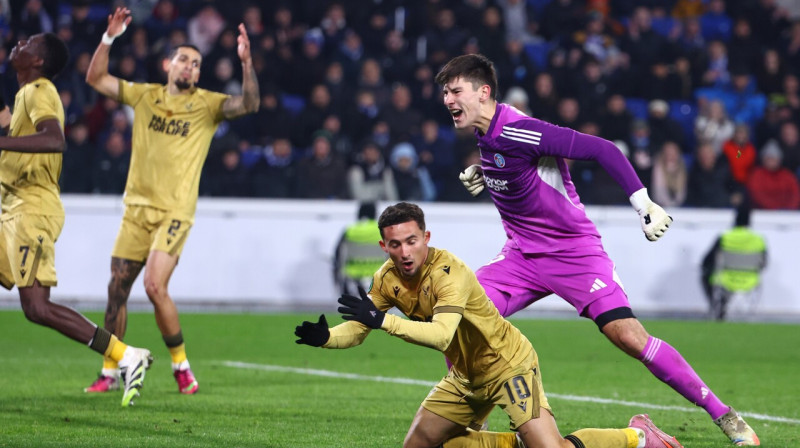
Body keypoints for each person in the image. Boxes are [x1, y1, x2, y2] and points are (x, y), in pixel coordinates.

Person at [436, 54, 759, 446]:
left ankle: (725, 416)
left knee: (627, 336)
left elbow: (603, 149)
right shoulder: (485, 133)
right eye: (444, 92)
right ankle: (476, 421)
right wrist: (488, 174)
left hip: (574, 253)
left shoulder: (520, 129)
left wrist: (644, 205)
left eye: (455, 91)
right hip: (521, 256)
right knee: (459, 319)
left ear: (483, 92)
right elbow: (523, 170)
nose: (447, 99)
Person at [296, 202, 683, 448]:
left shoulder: (450, 273)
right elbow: (359, 328)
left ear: (426, 237)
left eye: (411, 241)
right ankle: (516, 442)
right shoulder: (386, 278)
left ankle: (638, 436)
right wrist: (327, 337)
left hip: (506, 364)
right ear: (384, 246)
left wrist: (383, 321)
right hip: (466, 375)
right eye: (395, 245)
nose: (404, 251)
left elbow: (441, 334)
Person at [82, 7, 259, 395]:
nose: (190, 68)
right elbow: (94, 77)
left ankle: (181, 366)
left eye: (196, 64)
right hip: (136, 210)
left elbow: (249, 104)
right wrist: (109, 37)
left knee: (154, 286)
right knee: (116, 290)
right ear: (167, 64)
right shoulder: (145, 96)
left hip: (175, 212)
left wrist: (247, 65)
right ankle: (111, 369)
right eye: (184, 60)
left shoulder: (208, 105)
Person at [0, 32, 152, 407]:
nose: (21, 41)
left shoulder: (40, 89)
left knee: (37, 308)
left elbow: (54, 139)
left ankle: (124, 354)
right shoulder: (24, 95)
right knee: (35, 308)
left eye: (30, 42)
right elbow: (8, 129)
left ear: (38, 61)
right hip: (13, 208)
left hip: (32, 209)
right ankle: (124, 354)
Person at [701, 203, 767, 320]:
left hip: (726, 279)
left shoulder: (725, 237)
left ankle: (717, 307)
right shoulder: (759, 240)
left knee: (705, 276)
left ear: (735, 220)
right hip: (750, 280)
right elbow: (764, 263)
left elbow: (706, 261)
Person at [332, 202, 387, 296]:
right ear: (375, 214)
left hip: (352, 281)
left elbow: (337, 256)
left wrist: (336, 277)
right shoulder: (383, 231)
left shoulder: (349, 231)